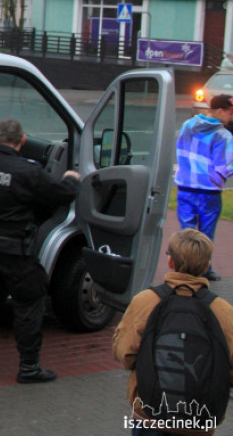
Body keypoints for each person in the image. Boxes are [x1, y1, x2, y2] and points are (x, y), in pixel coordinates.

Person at [0, 118, 81, 383]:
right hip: (12, 249)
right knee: (30, 298)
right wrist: (71, 179)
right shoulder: (27, 171)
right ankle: (29, 367)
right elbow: (60, 195)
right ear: (22, 141)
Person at [113, 229, 233, 435]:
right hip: (199, 421)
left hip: (150, 416)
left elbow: (125, 355)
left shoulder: (146, 301)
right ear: (206, 266)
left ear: (170, 262)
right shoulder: (222, 310)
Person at [175, 94, 233, 282]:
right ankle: (204, 270)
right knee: (206, 235)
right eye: (230, 113)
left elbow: (180, 150)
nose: (231, 118)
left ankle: (184, 269)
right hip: (209, 192)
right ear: (219, 111)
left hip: (185, 188)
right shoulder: (223, 135)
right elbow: (224, 166)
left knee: (187, 232)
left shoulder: (187, 126)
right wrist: (220, 177)